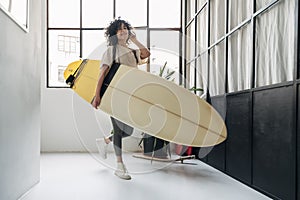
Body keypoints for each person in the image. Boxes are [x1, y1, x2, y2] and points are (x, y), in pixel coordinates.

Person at [92, 18, 151, 180]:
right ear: (114, 34)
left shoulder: (132, 52)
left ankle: (105, 141)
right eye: (119, 29)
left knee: (129, 130)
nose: (123, 31)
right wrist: (97, 96)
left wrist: (134, 39)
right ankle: (119, 166)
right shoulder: (111, 50)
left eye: (125, 28)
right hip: (114, 93)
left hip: (130, 95)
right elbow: (102, 74)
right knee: (118, 129)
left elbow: (146, 53)